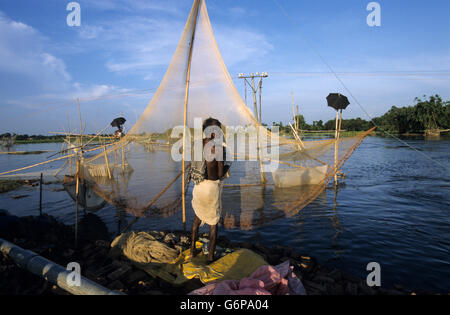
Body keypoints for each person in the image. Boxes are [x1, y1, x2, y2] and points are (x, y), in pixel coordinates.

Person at [189, 117, 229, 262]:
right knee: (213, 224)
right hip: (211, 189)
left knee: (196, 219)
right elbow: (218, 173)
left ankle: (192, 251)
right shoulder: (217, 148)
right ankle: (211, 257)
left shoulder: (197, 145)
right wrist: (225, 168)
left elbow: (194, 165)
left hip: (198, 187)